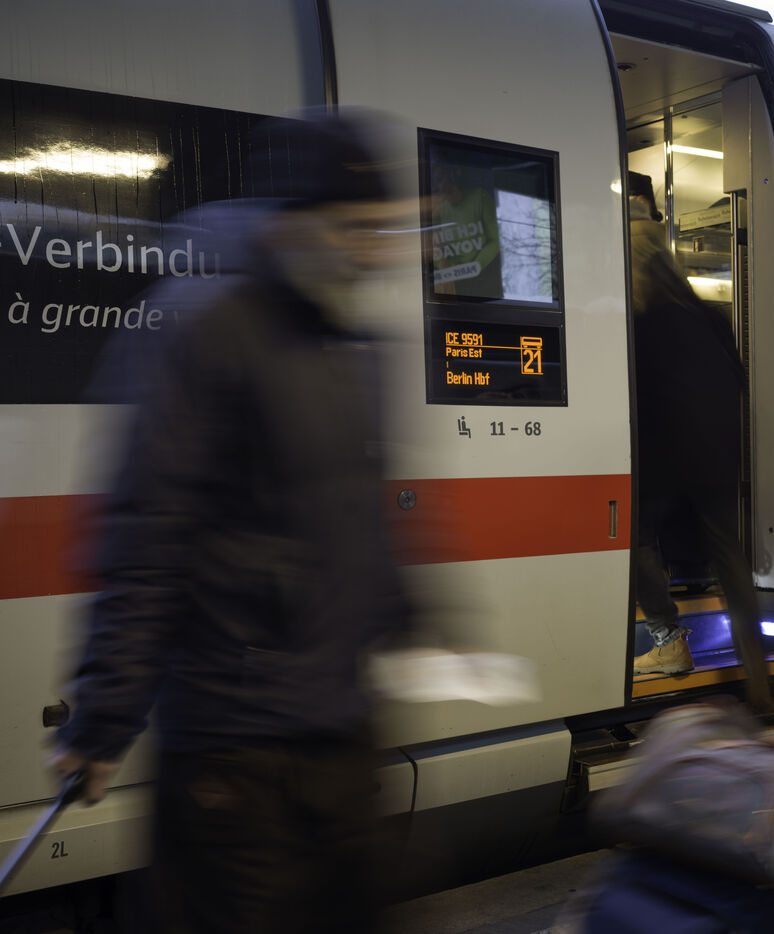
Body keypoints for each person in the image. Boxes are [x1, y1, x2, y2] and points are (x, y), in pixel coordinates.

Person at [48, 109, 419, 933]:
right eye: (356, 228)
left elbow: (360, 513)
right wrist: (106, 718)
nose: (375, 251)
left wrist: (408, 615)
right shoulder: (206, 332)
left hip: (339, 730)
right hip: (235, 748)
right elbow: (148, 534)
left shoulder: (353, 343)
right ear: (294, 223)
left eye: (383, 229)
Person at [626, 171, 772, 711]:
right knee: (730, 558)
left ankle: (669, 640)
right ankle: (758, 675)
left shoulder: (639, 321)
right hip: (716, 456)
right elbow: (737, 380)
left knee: (632, 539)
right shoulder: (709, 316)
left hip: (665, 458)